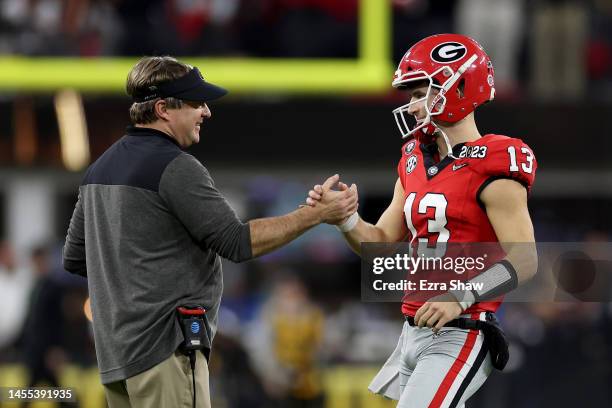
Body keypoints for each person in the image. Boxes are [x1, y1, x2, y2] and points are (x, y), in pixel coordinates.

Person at [62, 56, 357, 408]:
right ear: (163, 109)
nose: (206, 111)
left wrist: (137, 282)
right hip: (164, 352)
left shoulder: (99, 169)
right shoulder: (175, 167)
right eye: (196, 103)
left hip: (116, 357)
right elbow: (236, 242)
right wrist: (315, 215)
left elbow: (76, 257)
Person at [305, 33, 538, 407]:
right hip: (412, 331)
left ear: (458, 86)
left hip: (461, 330)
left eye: (420, 93)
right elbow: (380, 242)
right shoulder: (414, 158)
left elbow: (525, 259)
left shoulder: (495, 160)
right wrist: (345, 219)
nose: (412, 106)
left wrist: (460, 298)